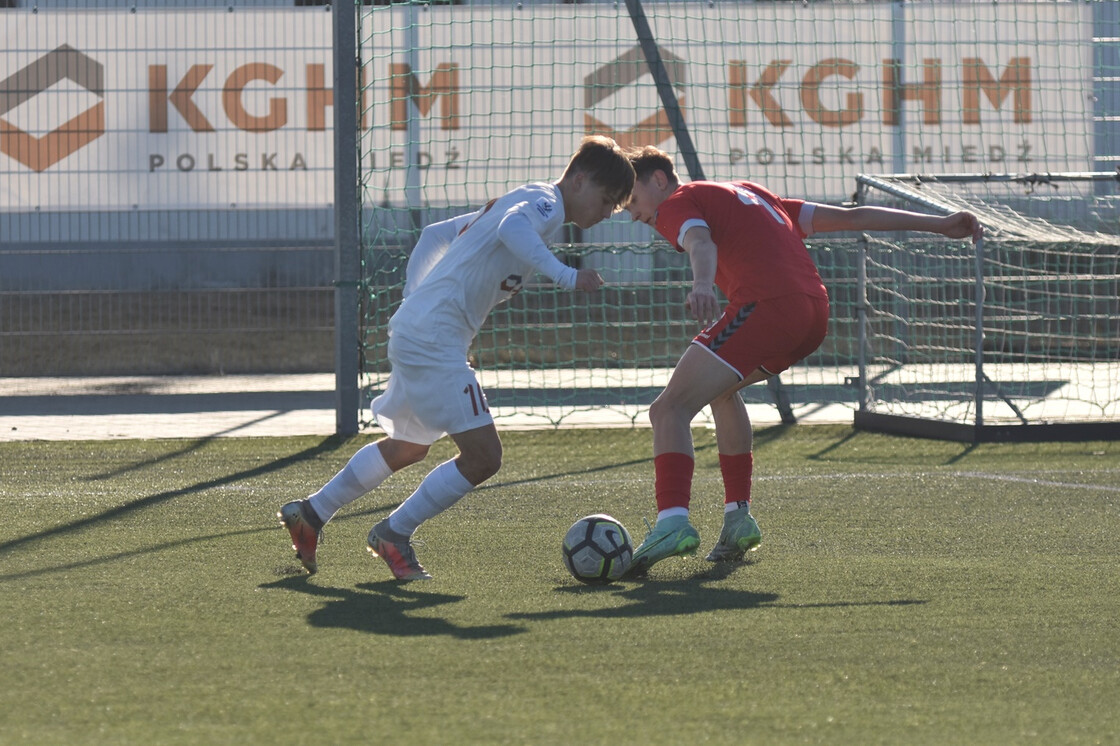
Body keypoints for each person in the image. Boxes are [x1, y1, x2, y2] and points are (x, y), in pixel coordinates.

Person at [279, 135, 635, 580]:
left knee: (409, 445)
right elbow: (511, 230)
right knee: (483, 457)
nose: (604, 215)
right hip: (432, 339)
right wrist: (566, 276)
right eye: (606, 202)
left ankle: (312, 513)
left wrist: (417, 298)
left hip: (424, 331)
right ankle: (394, 533)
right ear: (580, 180)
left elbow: (435, 235)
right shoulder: (544, 203)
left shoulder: (520, 200)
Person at [622, 146, 982, 574]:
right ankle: (738, 519)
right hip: (813, 312)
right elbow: (851, 218)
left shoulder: (677, 202)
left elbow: (698, 240)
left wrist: (702, 283)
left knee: (668, 409)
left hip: (768, 307)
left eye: (631, 199)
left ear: (658, 181)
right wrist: (939, 225)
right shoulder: (751, 193)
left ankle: (672, 522)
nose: (631, 213)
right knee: (721, 393)